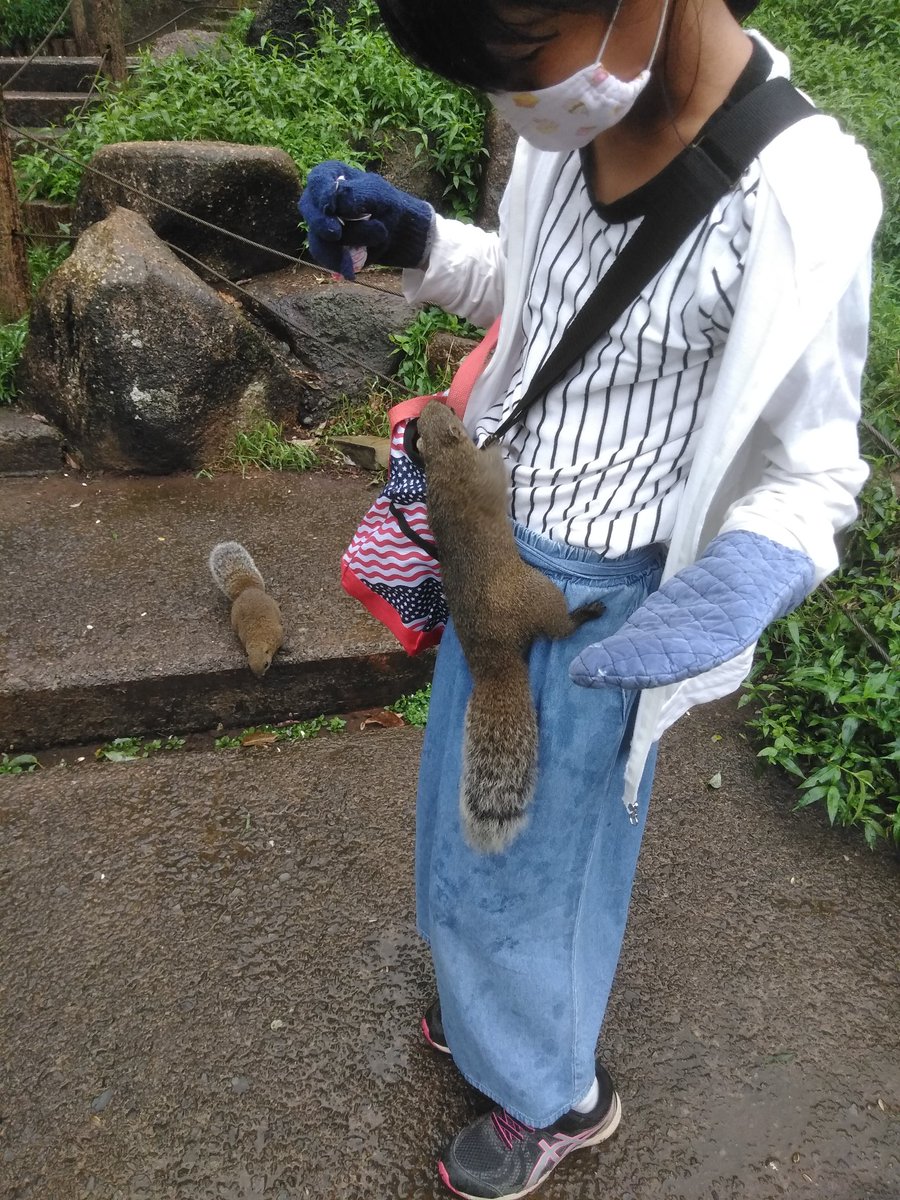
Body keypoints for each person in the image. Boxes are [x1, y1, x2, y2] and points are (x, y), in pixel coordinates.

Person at [299, 2, 882, 1196]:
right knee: (467, 823)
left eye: (520, 61)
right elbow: (543, 301)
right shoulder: (569, 123)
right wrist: (425, 242)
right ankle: (485, 1010)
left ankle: (554, 1094)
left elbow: (815, 470)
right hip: (494, 559)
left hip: (606, 609)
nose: (518, 105)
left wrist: (741, 581)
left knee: (544, 871)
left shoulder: (799, 194)